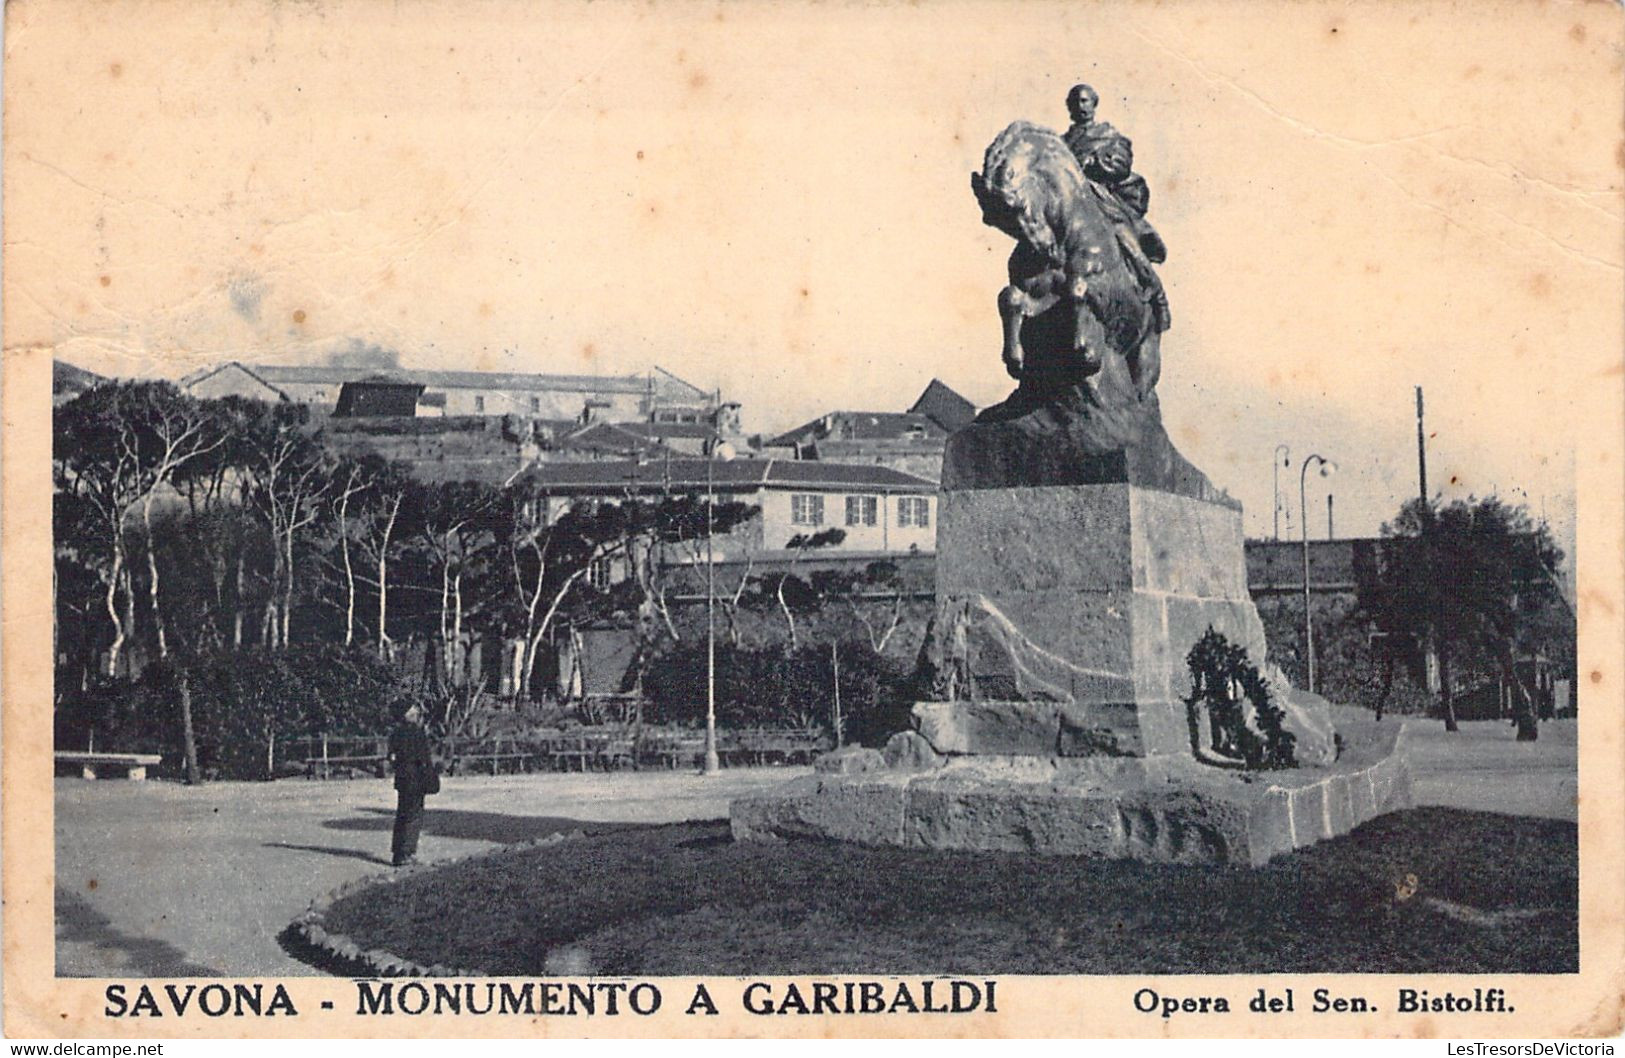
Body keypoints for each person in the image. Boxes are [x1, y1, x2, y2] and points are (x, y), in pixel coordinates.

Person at [1061, 83, 1171, 330]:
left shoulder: (1108, 136)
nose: (1081, 106)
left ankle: (1156, 293)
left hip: (1102, 200)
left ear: (1094, 104)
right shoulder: (1061, 144)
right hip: (1070, 205)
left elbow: (1122, 165)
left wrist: (1096, 162)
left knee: (1125, 240)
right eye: (1076, 101)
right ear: (1069, 107)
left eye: (1086, 101)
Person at [387, 698, 438, 867]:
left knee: (402, 814)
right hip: (416, 778)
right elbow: (422, 757)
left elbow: (392, 757)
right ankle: (407, 853)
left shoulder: (395, 733)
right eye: (412, 710)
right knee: (413, 815)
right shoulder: (416, 732)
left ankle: (398, 852)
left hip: (402, 778)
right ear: (406, 714)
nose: (416, 712)